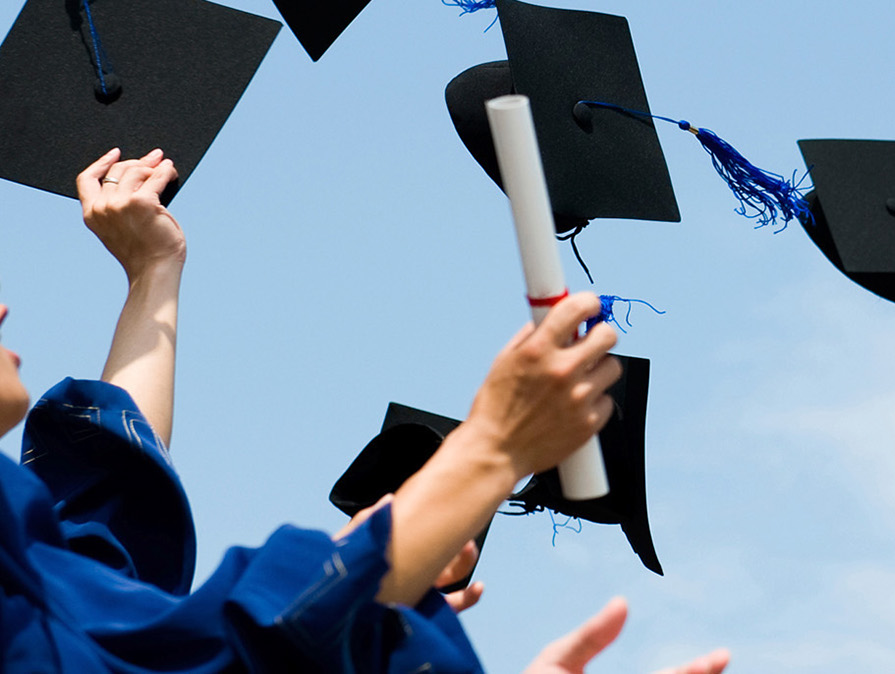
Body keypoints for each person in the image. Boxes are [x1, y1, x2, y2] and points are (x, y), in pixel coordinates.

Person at [0, 149, 730, 673]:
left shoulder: (30, 576)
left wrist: (153, 273)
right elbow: (235, 648)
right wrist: (487, 451)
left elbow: (108, 523)